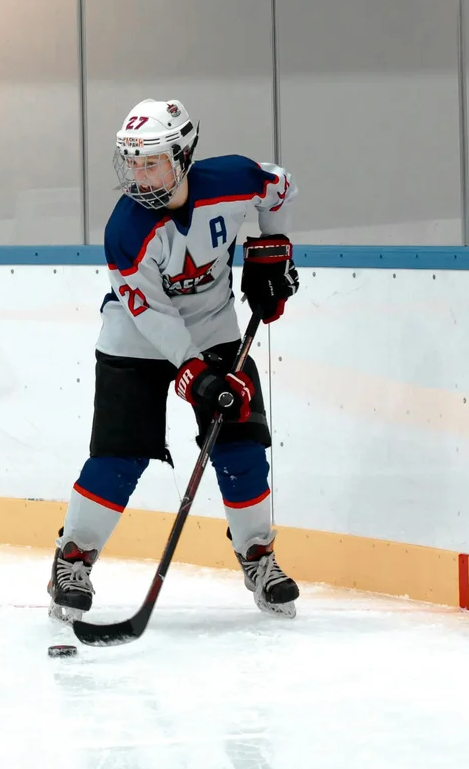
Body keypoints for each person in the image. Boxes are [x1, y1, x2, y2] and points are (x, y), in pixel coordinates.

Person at [48, 97, 301, 622]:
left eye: (152, 162)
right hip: (137, 336)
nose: (139, 176)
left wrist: (270, 249)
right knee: (119, 455)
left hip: (215, 328)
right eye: (132, 163)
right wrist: (195, 376)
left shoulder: (232, 180)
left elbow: (279, 186)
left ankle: (258, 556)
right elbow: (153, 316)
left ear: (184, 155)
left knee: (242, 442)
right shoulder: (126, 231)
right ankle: (72, 559)